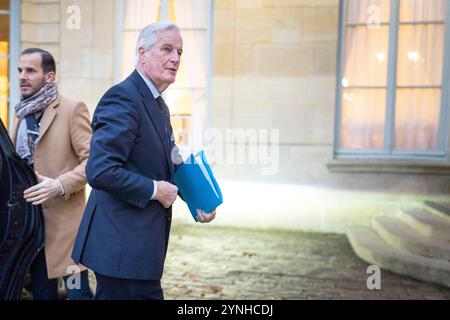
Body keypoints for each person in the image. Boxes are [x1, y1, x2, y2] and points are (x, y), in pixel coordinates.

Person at [71, 22, 216, 300]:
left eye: (180, 52)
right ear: (142, 53)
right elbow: (100, 170)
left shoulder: (158, 103)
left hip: (139, 249)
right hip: (120, 246)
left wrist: (199, 200)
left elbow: (172, 161)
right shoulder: (122, 98)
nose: (175, 58)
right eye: (167, 49)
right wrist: (154, 190)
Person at [10, 48, 93, 300]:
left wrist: (59, 184)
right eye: (20, 70)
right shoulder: (20, 113)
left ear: (49, 76)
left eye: (31, 70)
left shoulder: (72, 109)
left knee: (79, 294)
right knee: (42, 296)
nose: (23, 76)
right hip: (31, 229)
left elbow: (93, 162)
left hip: (67, 230)